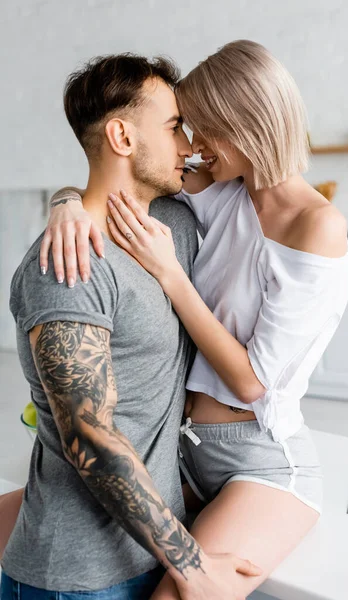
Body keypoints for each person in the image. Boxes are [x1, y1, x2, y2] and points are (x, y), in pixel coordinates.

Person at [0, 53, 263, 600]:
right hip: (75, 581)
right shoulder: (68, 265)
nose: (190, 146)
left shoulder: (173, 223)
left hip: (149, 555)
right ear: (121, 135)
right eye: (174, 128)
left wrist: (66, 196)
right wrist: (194, 568)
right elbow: (90, 438)